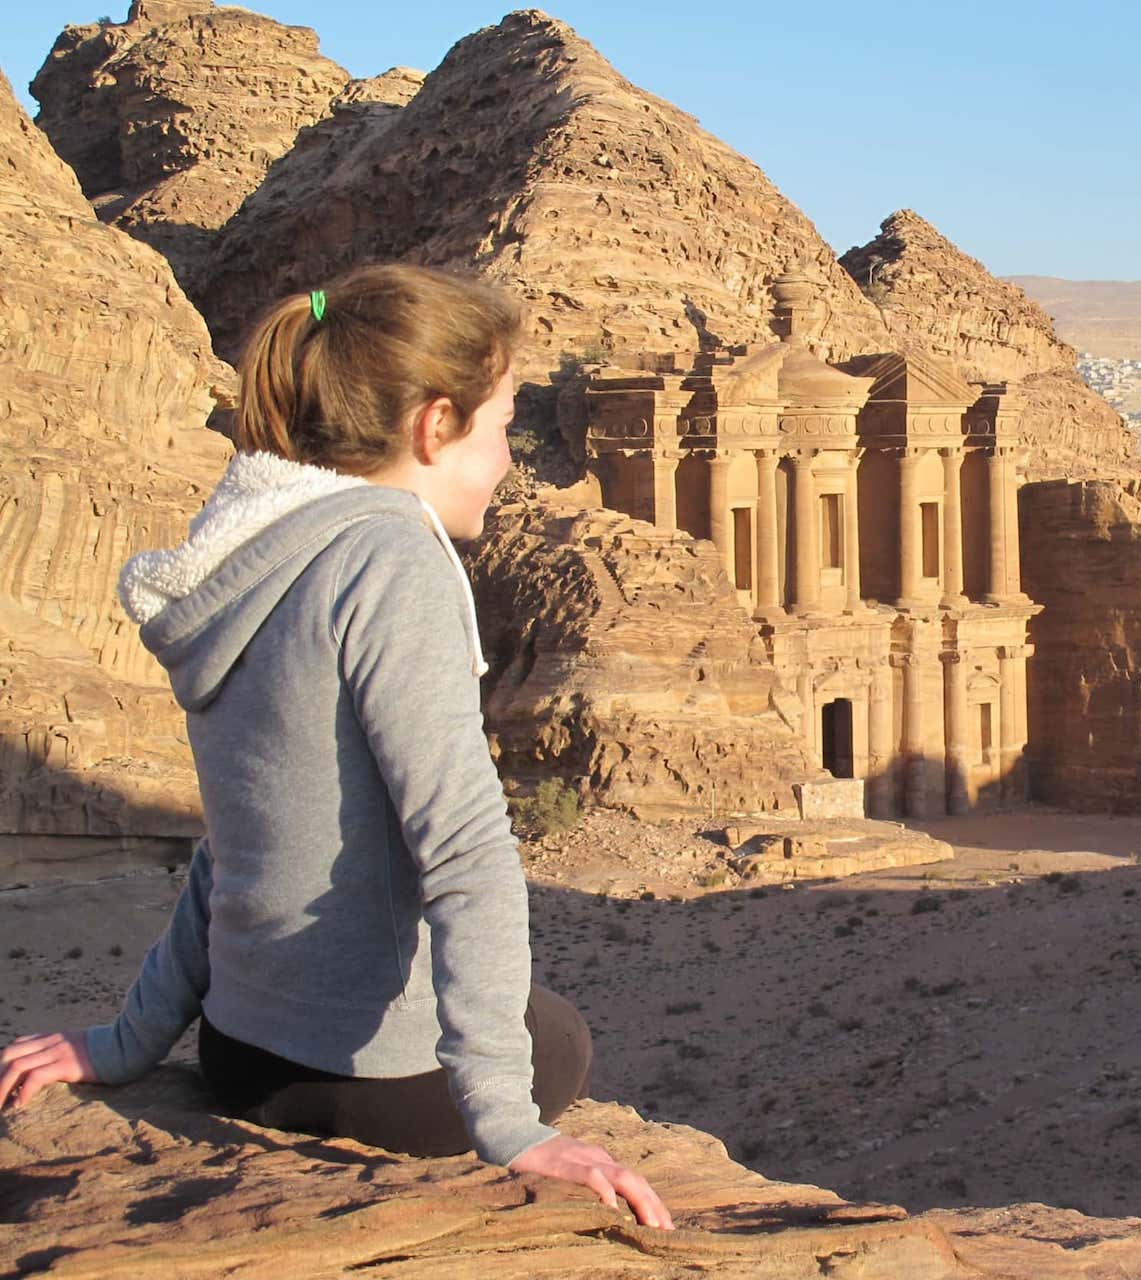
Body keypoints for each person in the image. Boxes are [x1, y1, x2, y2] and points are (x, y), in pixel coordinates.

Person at [0, 264, 672, 1231]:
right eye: (502, 431)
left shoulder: (244, 559)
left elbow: (234, 845)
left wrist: (125, 1043)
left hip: (239, 1057)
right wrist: (513, 1128)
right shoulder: (391, 555)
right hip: (368, 1087)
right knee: (555, 1032)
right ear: (432, 426)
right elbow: (467, 848)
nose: (512, 465)